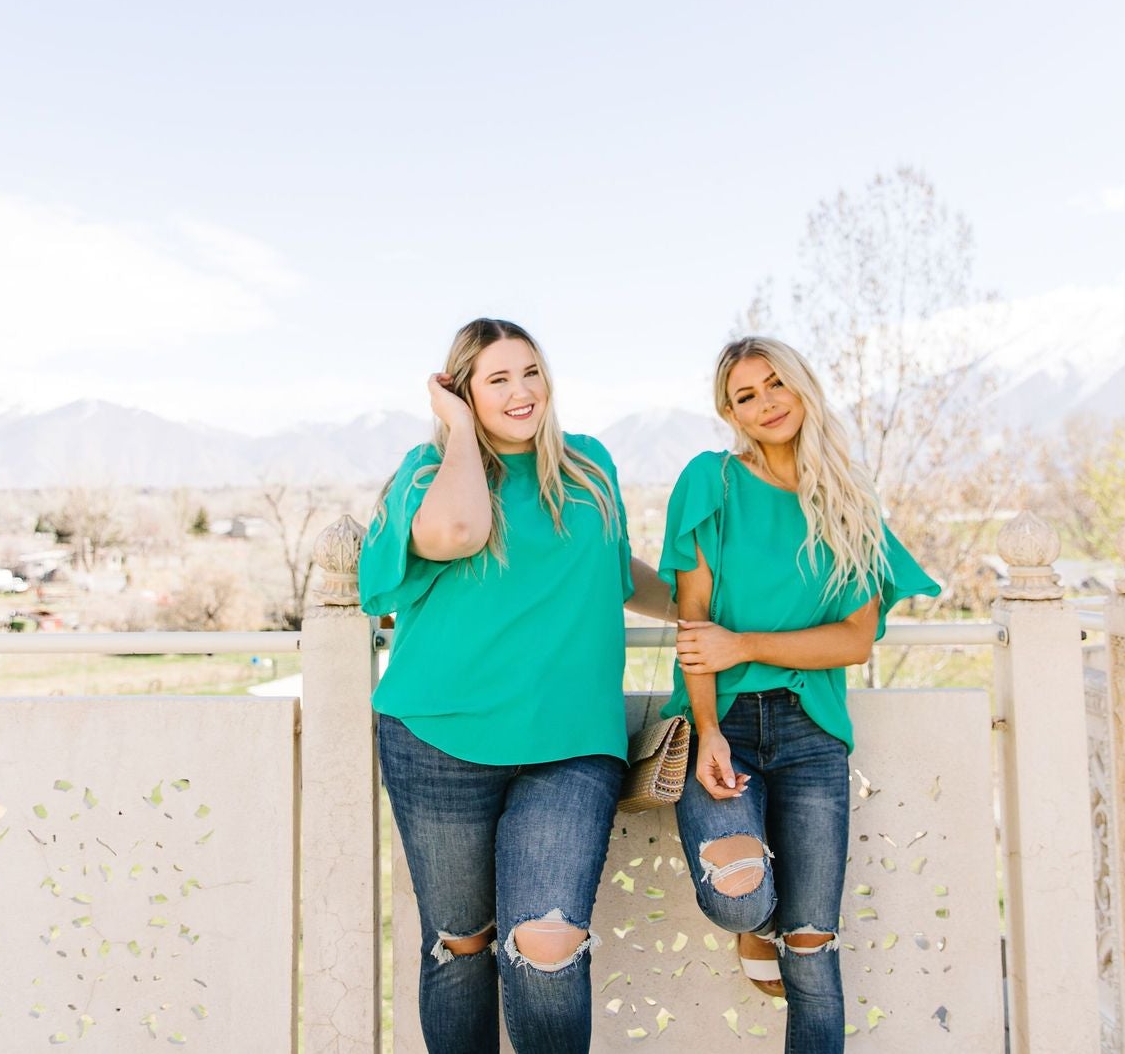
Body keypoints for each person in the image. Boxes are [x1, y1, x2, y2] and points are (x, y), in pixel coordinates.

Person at [360, 316, 672, 1054]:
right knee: (463, 945)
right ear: (463, 389)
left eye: (531, 371)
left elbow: (615, 571)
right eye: (497, 378)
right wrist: (458, 431)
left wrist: (709, 608)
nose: (522, 390)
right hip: (439, 738)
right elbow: (460, 531)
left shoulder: (590, 467)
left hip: (571, 744)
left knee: (547, 943)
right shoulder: (428, 473)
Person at [659, 335, 939, 1053]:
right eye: (746, 394)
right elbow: (695, 626)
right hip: (721, 723)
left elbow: (853, 639)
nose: (766, 402)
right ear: (730, 412)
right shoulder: (711, 482)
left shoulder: (846, 498)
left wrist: (746, 644)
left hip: (813, 730)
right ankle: (756, 922)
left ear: (803, 387)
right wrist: (708, 728)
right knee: (740, 894)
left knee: (814, 947)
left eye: (776, 383)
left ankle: (784, 932)